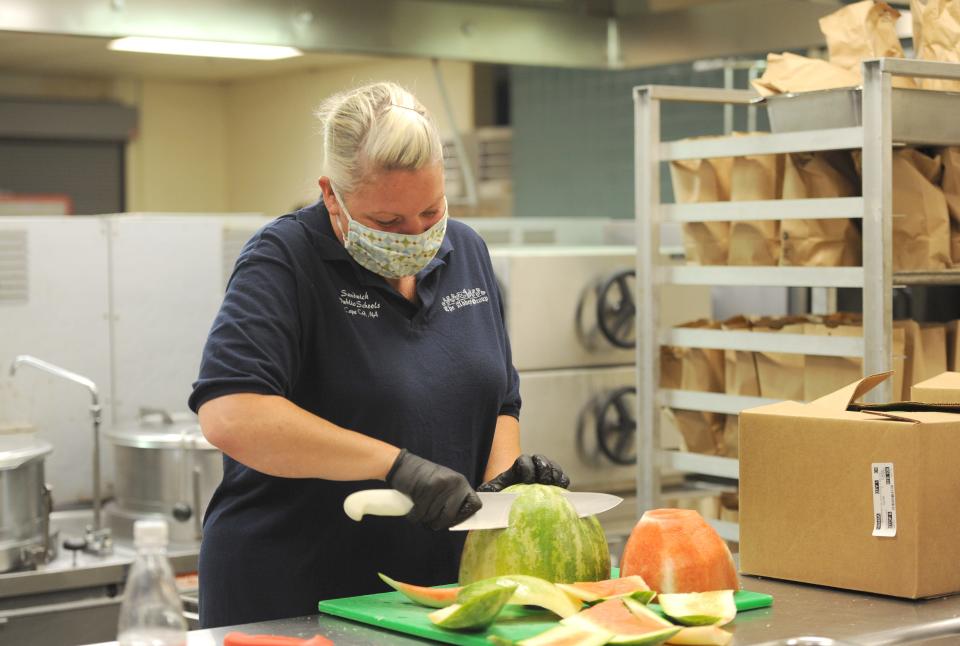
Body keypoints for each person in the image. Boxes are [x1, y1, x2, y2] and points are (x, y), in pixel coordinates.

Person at [189, 81, 570, 629]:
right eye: (387, 222)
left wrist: (499, 487)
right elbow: (232, 413)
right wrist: (395, 466)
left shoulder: (467, 252)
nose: (414, 235)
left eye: (430, 210)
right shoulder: (284, 259)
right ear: (331, 195)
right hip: (294, 603)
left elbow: (500, 400)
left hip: (430, 604)